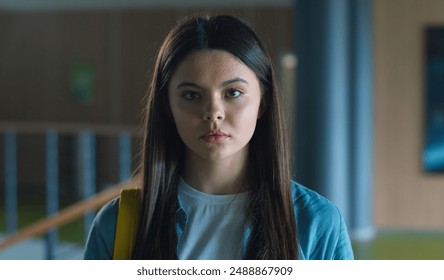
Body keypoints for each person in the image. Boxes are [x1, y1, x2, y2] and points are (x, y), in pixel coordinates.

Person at [83, 14, 354, 260]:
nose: (213, 112)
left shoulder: (317, 223)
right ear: (167, 106)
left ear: (263, 101)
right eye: (191, 95)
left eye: (233, 92)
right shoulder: (117, 225)